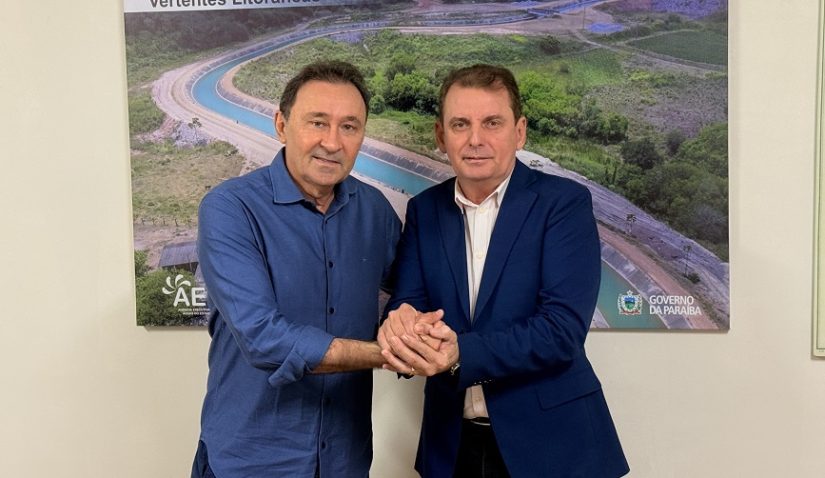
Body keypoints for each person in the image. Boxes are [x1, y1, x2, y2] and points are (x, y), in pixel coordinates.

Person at [378, 64, 629, 478]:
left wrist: (461, 353)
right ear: (441, 135)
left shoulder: (563, 203)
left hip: (552, 448)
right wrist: (401, 323)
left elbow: (561, 330)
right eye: (460, 124)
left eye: (492, 123)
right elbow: (408, 302)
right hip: (450, 447)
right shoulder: (424, 210)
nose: (475, 139)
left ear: (520, 131)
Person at [192, 60, 410, 478]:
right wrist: (386, 354)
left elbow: (413, 292)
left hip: (345, 459)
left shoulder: (375, 211)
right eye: (317, 122)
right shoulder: (230, 208)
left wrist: (424, 332)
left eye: (349, 127)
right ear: (281, 125)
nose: (332, 142)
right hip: (250, 461)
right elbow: (263, 338)